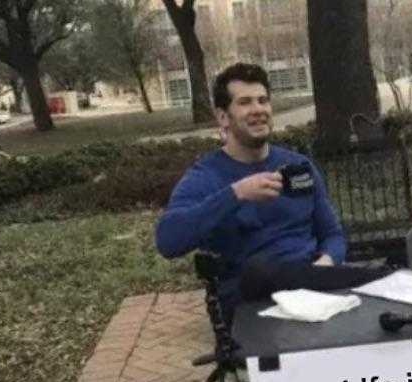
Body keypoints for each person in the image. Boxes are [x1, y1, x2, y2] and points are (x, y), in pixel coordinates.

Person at [155, 63, 385, 321]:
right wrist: (236, 194)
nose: (258, 110)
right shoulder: (206, 177)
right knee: (260, 270)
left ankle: (387, 278)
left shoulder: (298, 167)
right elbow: (168, 241)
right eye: (245, 102)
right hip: (252, 299)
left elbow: (332, 235)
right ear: (223, 117)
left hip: (312, 288)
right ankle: (379, 276)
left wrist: (325, 265)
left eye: (263, 100)